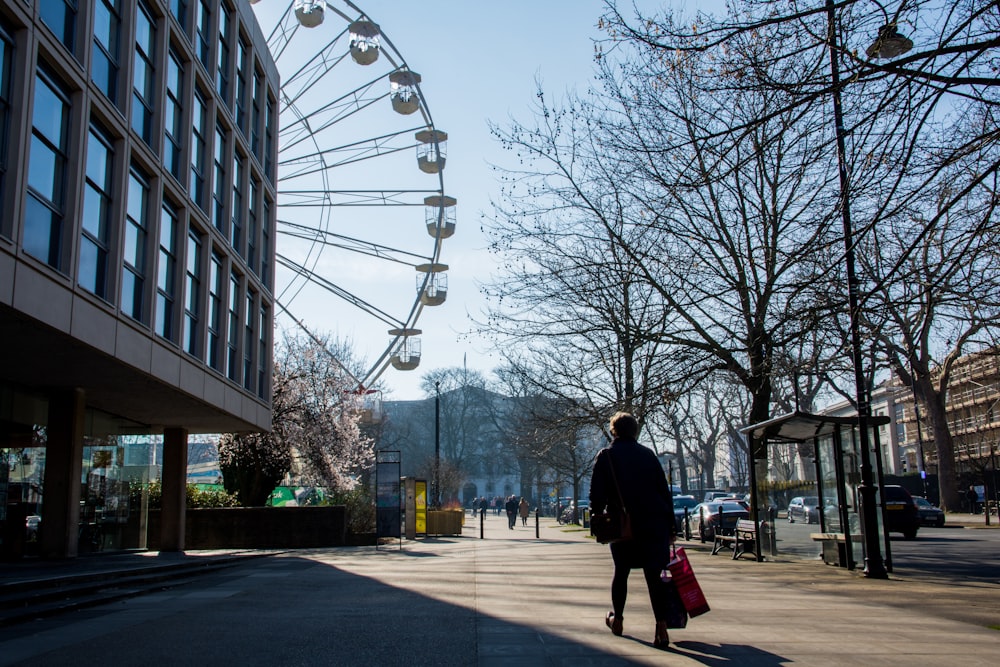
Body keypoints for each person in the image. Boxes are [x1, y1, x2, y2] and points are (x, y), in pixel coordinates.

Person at [590, 411, 676, 649]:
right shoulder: (648, 455)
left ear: (613, 430)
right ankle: (661, 627)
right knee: (654, 577)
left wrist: (598, 517)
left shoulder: (606, 456)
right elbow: (663, 492)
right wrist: (671, 526)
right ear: (635, 431)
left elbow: (596, 494)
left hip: (623, 524)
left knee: (621, 572)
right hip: (654, 524)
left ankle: (618, 620)